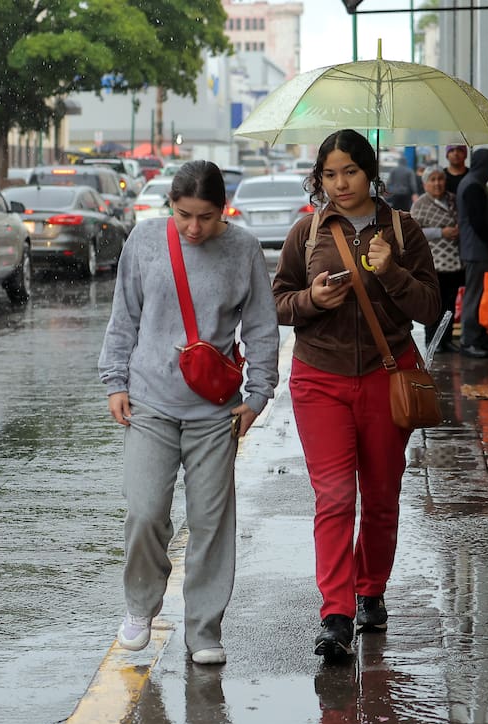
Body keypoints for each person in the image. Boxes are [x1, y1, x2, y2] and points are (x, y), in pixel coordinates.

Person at [99, 160, 279, 666]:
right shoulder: (145, 241)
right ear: (170, 207)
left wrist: (258, 395)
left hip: (215, 411)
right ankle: (140, 607)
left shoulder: (243, 250)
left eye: (205, 216)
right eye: (183, 215)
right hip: (150, 401)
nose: (194, 228)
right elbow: (124, 316)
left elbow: (262, 329)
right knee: (145, 510)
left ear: (224, 210)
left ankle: (203, 628)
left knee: (210, 521)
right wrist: (115, 381)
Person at [271, 129, 440, 661]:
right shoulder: (308, 231)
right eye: (329, 174)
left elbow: (431, 307)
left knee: (383, 495)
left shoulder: (403, 230)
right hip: (319, 378)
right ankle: (336, 614)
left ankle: (371, 591)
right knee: (337, 496)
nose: (341, 184)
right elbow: (278, 302)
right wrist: (313, 300)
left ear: (370, 173)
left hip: (388, 376)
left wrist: (391, 272)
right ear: (318, 179)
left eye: (350, 171)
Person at [456, 148, 488, 358]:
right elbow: (478, 222)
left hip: (478, 250)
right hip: (477, 250)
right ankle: (469, 341)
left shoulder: (473, 183)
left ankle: (481, 340)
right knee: (475, 297)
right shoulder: (473, 186)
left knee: (482, 296)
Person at [411, 167, 463, 353]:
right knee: (435, 304)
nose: (437, 183)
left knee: (449, 304)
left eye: (440, 179)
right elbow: (414, 233)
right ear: (425, 184)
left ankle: (446, 339)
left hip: (454, 261)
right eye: (432, 180)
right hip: (433, 263)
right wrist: (441, 232)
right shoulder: (420, 204)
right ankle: (433, 341)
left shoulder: (452, 199)